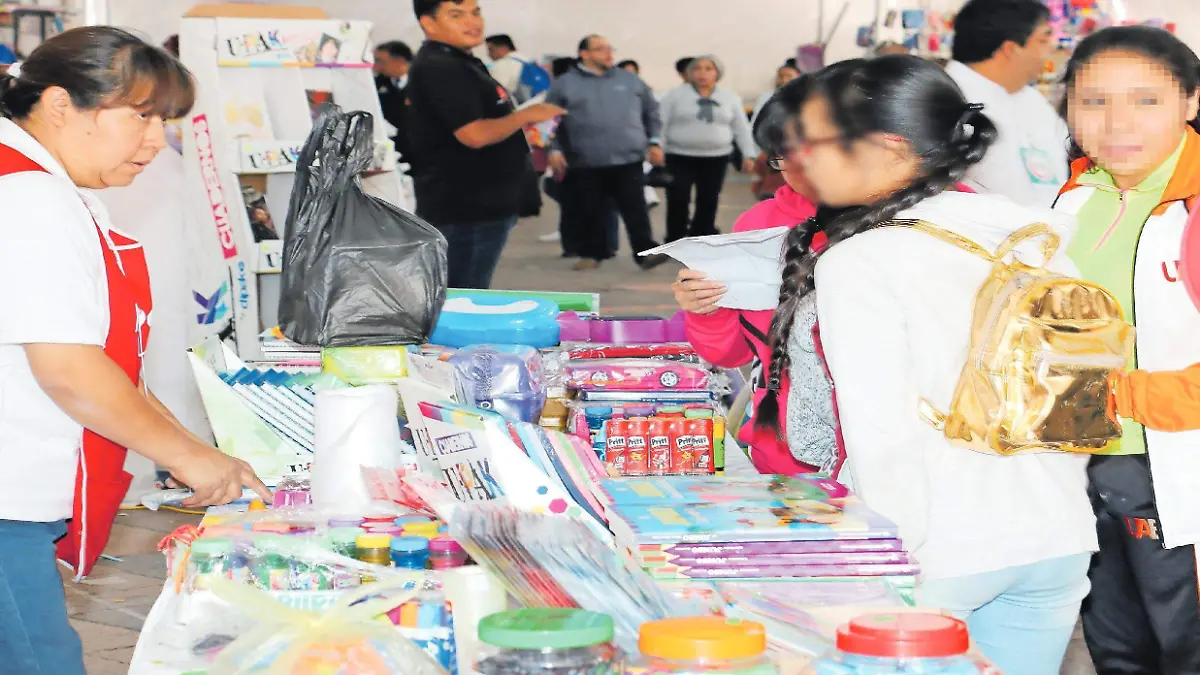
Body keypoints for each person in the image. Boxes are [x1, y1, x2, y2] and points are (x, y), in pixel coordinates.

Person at [764, 55, 1095, 673]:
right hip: (1057, 534)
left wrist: (890, 564)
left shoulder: (861, 260)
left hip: (936, 550)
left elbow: (880, 432)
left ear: (889, 148)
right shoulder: (1033, 236)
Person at [0, 27, 270, 674]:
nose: (156, 141)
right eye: (141, 117)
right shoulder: (30, 197)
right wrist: (188, 456)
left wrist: (189, 448)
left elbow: (102, 356)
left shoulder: (48, 184)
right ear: (60, 105)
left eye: (165, 122)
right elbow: (71, 370)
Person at [1053, 25, 1200, 672]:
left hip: (1173, 469)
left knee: (1184, 645)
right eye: (1093, 101)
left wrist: (1112, 393)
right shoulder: (1076, 196)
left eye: (1145, 100)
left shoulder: (1189, 208)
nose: (1116, 123)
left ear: (1190, 101)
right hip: (1081, 461)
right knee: (1114, 645)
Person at [673, 75, 823, 475]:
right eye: (781, 155)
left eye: (810, 151)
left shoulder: (920, 221)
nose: (796, 168)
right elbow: (730, 354)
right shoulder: (759, 224)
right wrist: (706, 309)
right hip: (782, 454)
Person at [406, 0, 563, 289]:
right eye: (456, 15)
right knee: (463, 295)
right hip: (466, 207)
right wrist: (525, 116)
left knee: (467, 290)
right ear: (429, 23)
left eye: (475, 13)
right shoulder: (440, 67)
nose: (472, 22)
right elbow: (474, 134)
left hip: (481, 204)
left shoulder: (461, 62)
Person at [546, 34, 668, 271]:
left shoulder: (630, 80)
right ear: (584, 54)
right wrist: (555, 149)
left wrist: (654, 142)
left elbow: (651, 111)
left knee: (636, 209)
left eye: (609, 48)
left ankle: (645, 253)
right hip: (584, 159)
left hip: (628, 158)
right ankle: (593, 253)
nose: (608, 53)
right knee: (590, 209)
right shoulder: (565, 84)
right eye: (600, 49)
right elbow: (550, 120)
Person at [945, 0, 1065, 207]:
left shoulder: (1030, 98)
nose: (1051, 48)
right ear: (1010, 49)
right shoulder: (946, 100)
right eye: (1043, 40)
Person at [659, 55, 756, 241]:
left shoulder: (729, 97)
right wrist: (656, 146)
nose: (702, 73)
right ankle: (675, 240)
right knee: (678, 199)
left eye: (708, 68)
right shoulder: (674, 96)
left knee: (709, 199)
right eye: (697, 68)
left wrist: (748, 154)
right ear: (690, 73)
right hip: (679, 156)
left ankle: (701, 237)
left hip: (716, 158)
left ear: (717, 73)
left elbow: (741, 128)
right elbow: (661, 123)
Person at [373, 40, 414, 164]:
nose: (376, 66)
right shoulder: (377, 84)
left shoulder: (422, 82)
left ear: (399, 61)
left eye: (380, 61)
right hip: (391, 149)